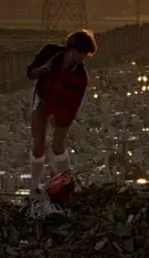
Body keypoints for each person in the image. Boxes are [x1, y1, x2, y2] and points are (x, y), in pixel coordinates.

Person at [27, 29, 97, 204]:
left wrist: (59, 117)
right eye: (81, 53)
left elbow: (73, 104)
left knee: (58, 145)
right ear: (72, 49)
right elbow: (30, 72)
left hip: (62, 108)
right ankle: (34, 187)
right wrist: (41, 70)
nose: (83, 58)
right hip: (43, 98)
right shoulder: (50, 52)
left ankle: (67, 184)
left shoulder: (80, 76)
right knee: (39, 145)